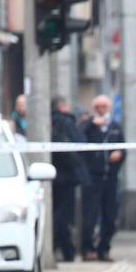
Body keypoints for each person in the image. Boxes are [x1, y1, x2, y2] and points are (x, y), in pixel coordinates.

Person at [79, 95, 124, 262]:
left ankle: (104, 248)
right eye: (98, 106)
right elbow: (80, 140)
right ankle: (87, 249)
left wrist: (120, 154)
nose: (101, 109)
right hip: (92, 178)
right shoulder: (88, 126)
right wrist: (91, 124)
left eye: (104, 106)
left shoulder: (115, 127)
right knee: (90, 215)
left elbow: (123, 147)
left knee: (110, 216)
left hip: (110, 178)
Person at [50, 96, 87, 260]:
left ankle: (59, 247)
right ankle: (66, 251)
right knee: (64, 217)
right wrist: (77, 163)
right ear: (63, 107)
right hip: (67, 177)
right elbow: (80, 143)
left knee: (55, 213)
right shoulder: (67, 122)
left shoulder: (46, 122)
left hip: (49, 176)